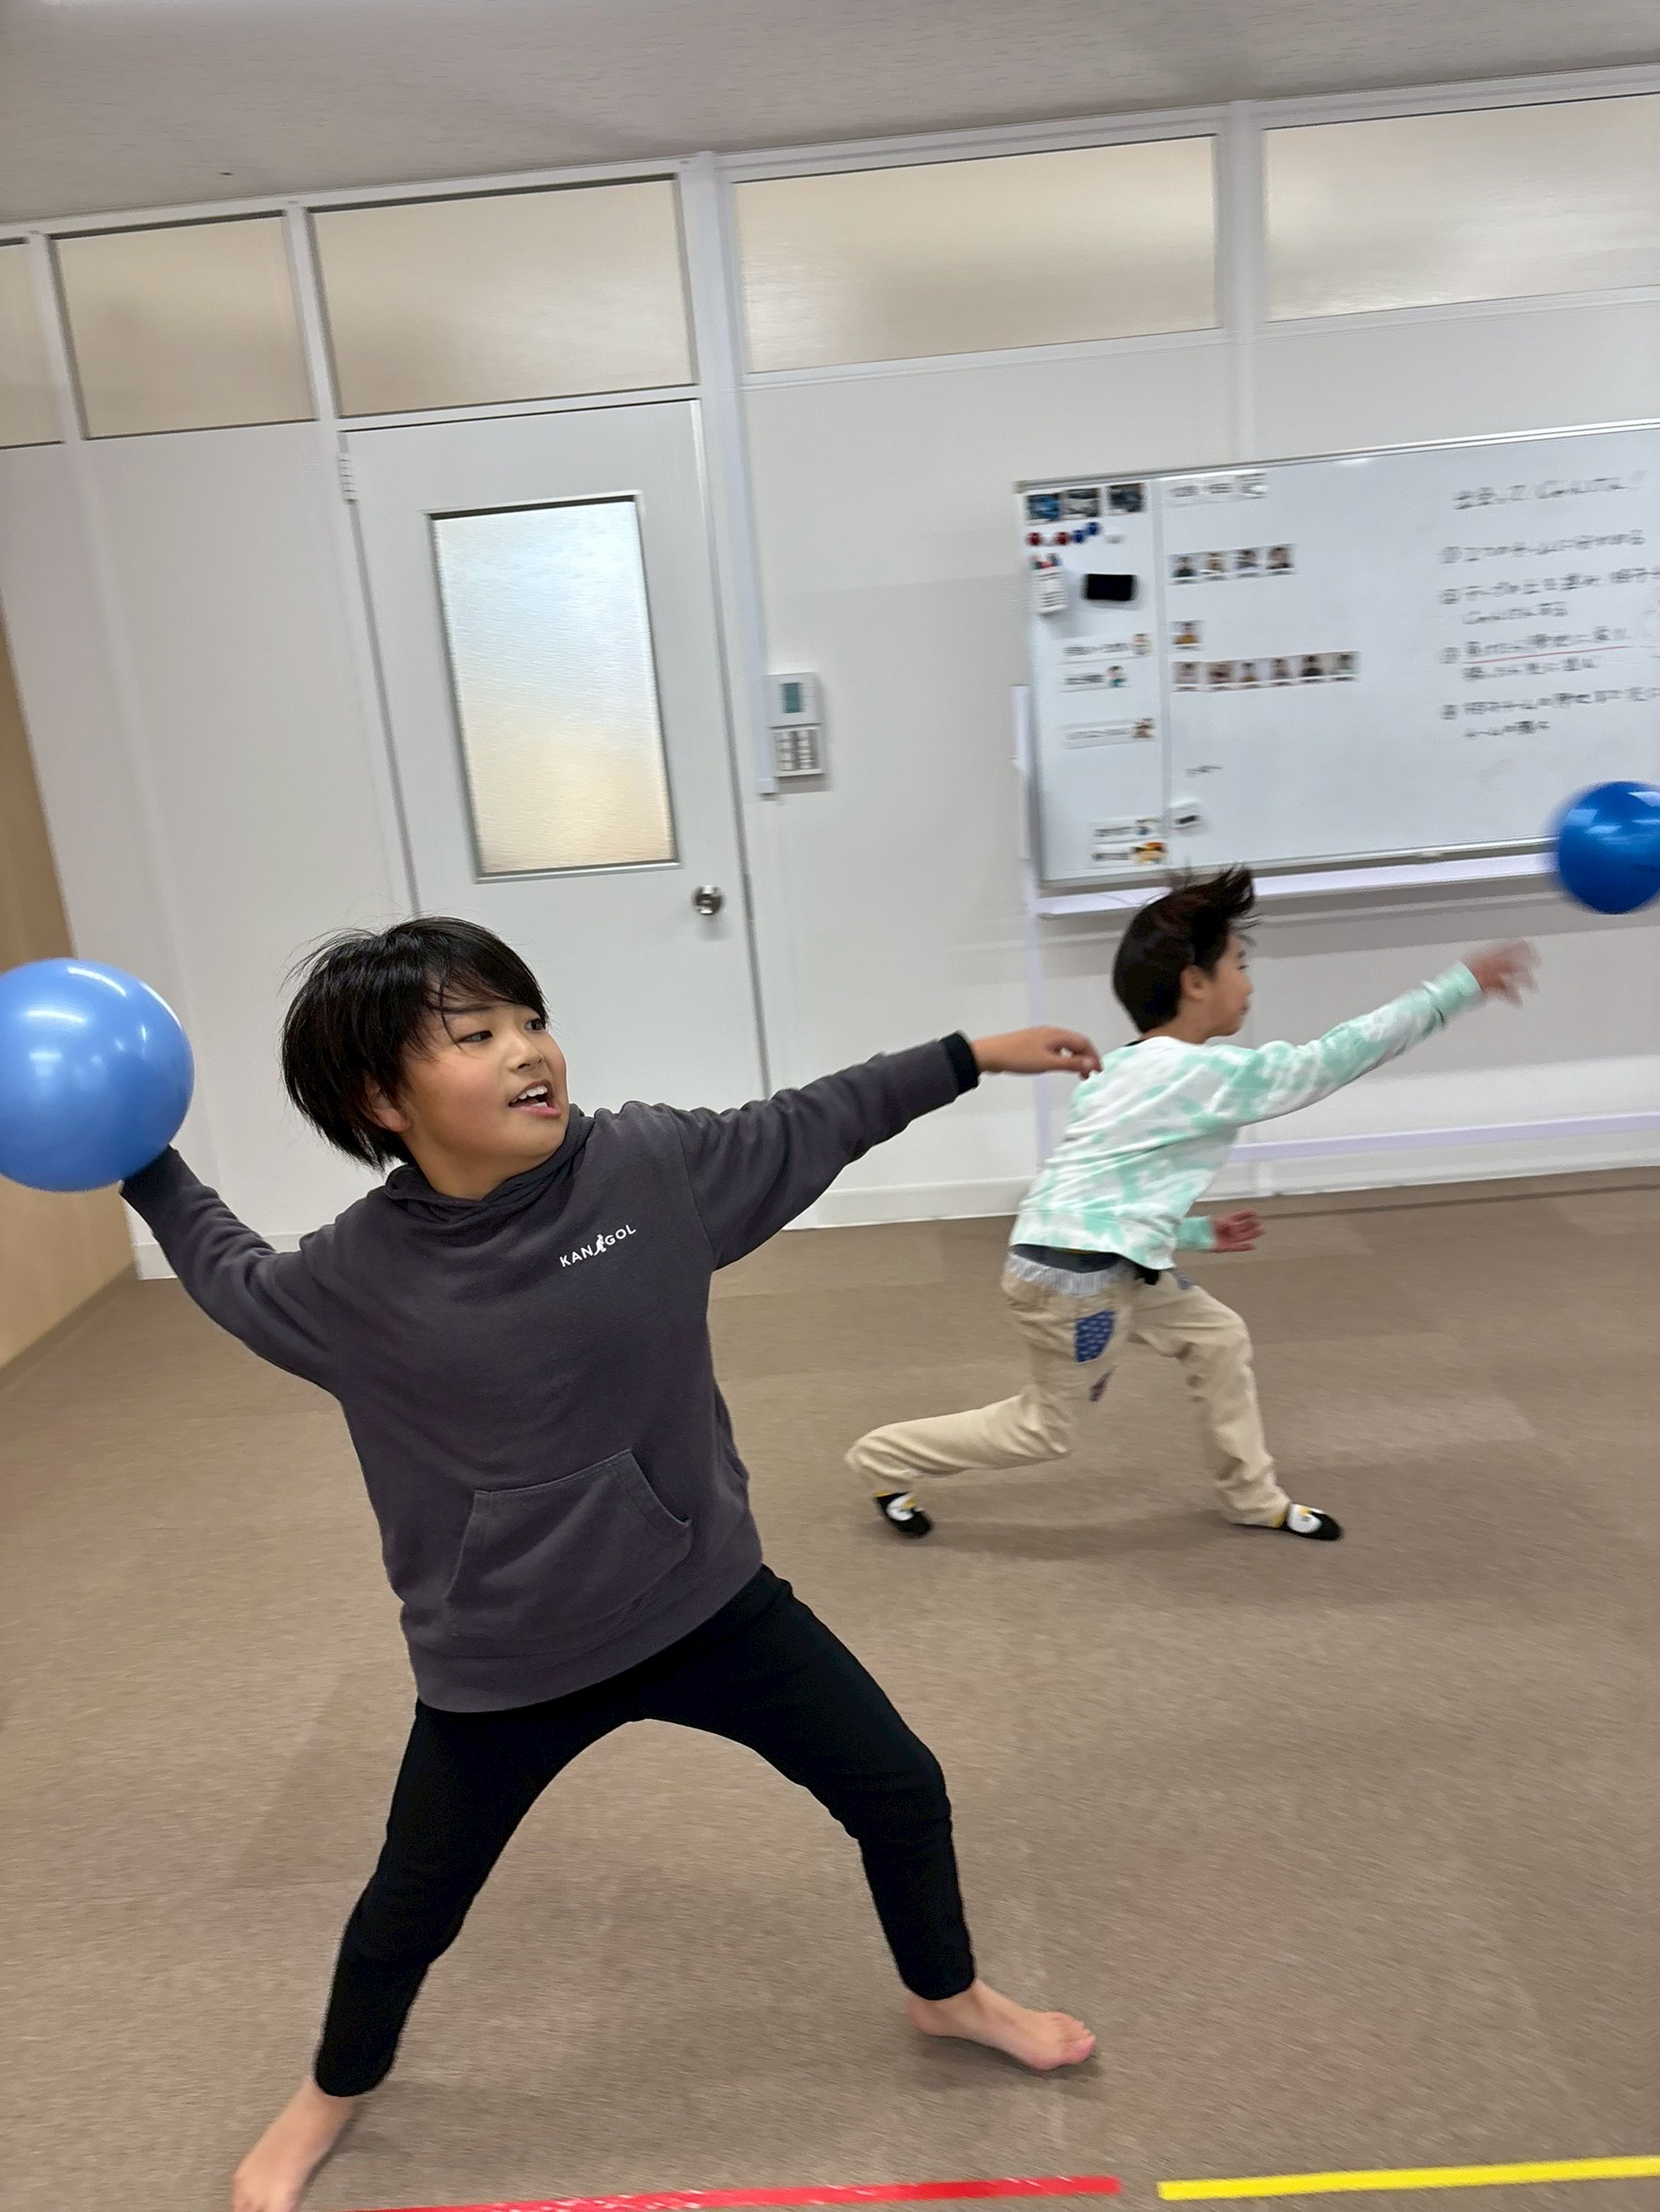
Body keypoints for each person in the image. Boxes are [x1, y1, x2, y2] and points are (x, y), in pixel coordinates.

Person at [117, 919, 1103, 2212]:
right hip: (504, 1664)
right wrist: (143, 1162)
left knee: (899, 1787)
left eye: (529, 1020)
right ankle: (330, 2094)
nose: (528, 1051)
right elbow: (234, 1278)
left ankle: (948, 1994)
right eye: (476, 1036)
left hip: (706, 1602)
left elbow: (813, 1119)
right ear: (382, 1101)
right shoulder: (357, 1281)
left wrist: (966, 1055)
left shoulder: (646, 1168)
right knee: (409, 1911)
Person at [847, 869, 1536, 1546]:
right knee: (1045, 1430)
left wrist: (1199, 1232)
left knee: (1218, 1337)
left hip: (1100, 1260)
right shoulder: (1196, 1073)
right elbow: (1326, 1062)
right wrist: (1458, 987)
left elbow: (1109, 1195)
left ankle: (1251, 1498)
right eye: (1239, 964)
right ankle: (883, 1459)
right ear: (1195, 982)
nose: (1249, 984)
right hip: (1075, 1286)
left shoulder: (1122, 1068)